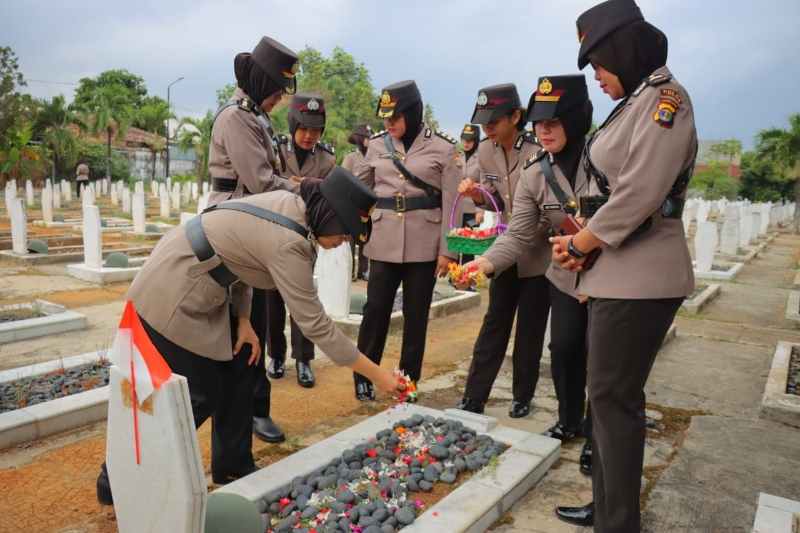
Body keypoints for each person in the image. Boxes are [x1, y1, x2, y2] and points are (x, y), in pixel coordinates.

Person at [97, 170, 402, 505]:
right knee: (196, 394)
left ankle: (233, 466)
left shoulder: (292, 206)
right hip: (173, 291)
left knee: (243, 364)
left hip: (204, 284)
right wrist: (377, 374)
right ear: (330, 214)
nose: (343, 241)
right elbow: (315, 325)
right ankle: (115, 478)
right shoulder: (291, 241)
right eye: (345, 232)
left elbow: (239, 256)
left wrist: (243, 321)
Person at [551, 1, 697, 529]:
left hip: (643, 272)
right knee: (608, 397)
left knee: (614, 398)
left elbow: (640, 191)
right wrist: (583, 244)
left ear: (621, 49)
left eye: (598, 63)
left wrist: (584, 242)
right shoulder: (636, 99)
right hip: (619, 268)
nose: (595, 76)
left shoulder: (665, 100)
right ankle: (608, 507)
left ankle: (618, 522)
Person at [466, 74, 595, 472]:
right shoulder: (536, 172)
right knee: (563, 347)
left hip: (612, 268)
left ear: (574, 120)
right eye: (540, 124)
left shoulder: (602, 157)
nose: (545, 131)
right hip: (564, 268)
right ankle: (570, 419)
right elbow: (519, 231)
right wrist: (484, 262)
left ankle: (598, 432)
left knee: (601, 354)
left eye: (553, 123)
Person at [352, 80, 460, 401]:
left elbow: (453, 203)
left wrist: (448, 250)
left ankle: (407, 380)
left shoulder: (443, 148)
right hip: (383, 241)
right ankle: (364, 375)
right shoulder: (375, 145)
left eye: (395, 117)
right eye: (384, 117)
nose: (389, 124)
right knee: (375, 312)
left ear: (413, 113)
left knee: (416, 317)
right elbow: (360, 190)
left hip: (424, 245)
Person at [455, 84, 550, 419]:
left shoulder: (537, 150)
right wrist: (476, 192)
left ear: (515, 116)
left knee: (530, 330)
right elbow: (491, 194)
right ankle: (474, 396)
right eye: (483, 121)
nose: (488, 127)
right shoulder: (485, 151)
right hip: (504, 250)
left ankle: (522, 396)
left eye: (495, 119)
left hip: (540, 254)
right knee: (495, 323)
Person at [264, 93, 336, 389]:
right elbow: (266, 184)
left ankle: (304, 359)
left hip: (304, 236)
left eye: (316, 130)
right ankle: (276, 355)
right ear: (293, 125)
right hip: (270, 233)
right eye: (304, 129)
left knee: (302, 298)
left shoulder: (327, 158)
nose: (309, 136)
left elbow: (327, 198)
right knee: (271, 300)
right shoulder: (276, 150)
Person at [343, 124, 373, 281]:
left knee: (365, 240)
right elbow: (344, 180)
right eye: (367, 137)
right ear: (360, 139)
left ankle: (363, 271)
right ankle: (350, 272)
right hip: (353, 204)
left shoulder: (374, 157)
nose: (370, 140)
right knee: (350, 241)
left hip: (368, 206)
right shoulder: (351, 158)